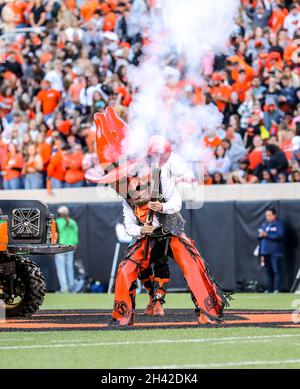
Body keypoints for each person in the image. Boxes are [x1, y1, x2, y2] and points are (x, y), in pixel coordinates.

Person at [87, 107, 230, 327]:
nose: (124, 185)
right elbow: (129, 224)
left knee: (194, 266)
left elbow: (177, 203)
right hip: (148, 237)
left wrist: (161, 207)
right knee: (126, 269)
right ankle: (123, 316)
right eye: (118, 182)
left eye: (124, 178)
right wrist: (139, 231)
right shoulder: (127, 199)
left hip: (171, 232)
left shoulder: (161, 175)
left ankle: (209, 311)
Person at [258, 208, 285, 293]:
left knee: (277, 271)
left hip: (275, 252)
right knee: (268, 272)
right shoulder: (264, 225)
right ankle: (269, 289)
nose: (268, 217)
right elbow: (260, 238)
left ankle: (277, 289)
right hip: (265, 252)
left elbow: (280, 235)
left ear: (274, 215)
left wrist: (267, 234)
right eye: (266, 215)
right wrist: (261, 253)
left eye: (269, 215)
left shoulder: (278, 224)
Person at [54, 206, 79, 293]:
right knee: (69, 267)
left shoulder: (57, 222)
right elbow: (75, 235)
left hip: (61, 247)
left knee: (61, 268)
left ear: (59, 213)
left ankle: (64, 289)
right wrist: (75, 245)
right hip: (71, 247)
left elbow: (55, 235)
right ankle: (71, 287)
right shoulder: (73, 222)